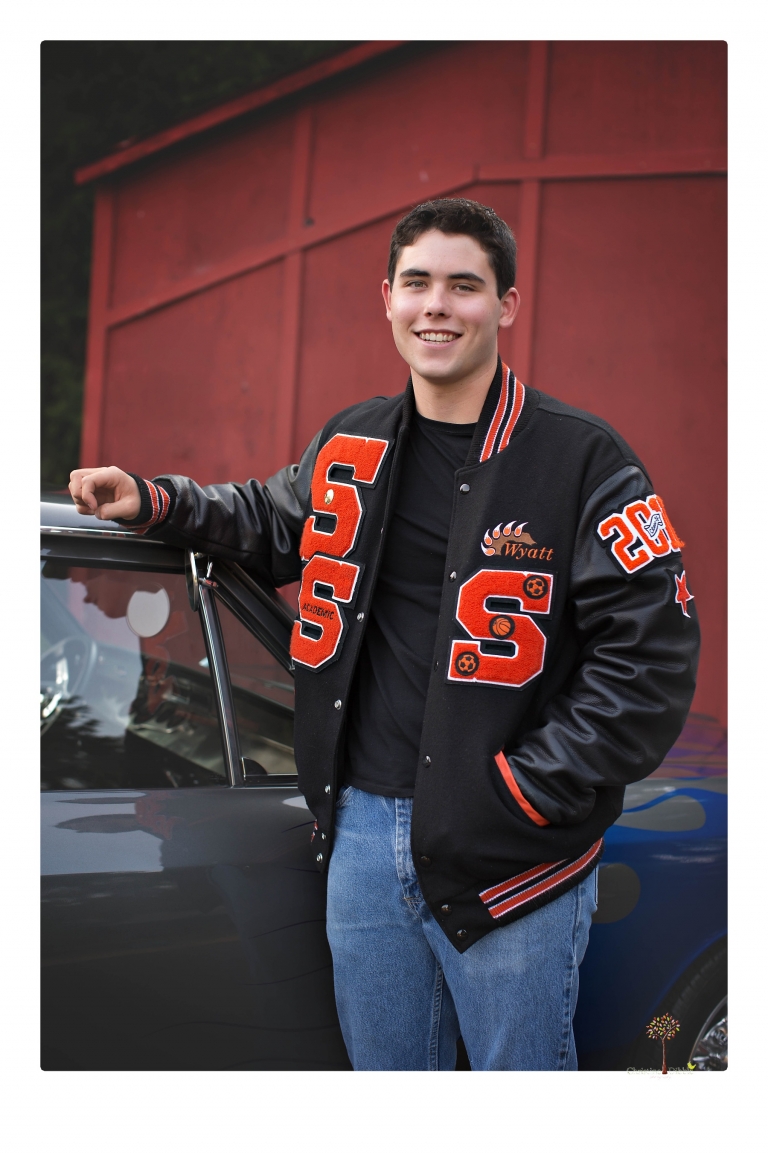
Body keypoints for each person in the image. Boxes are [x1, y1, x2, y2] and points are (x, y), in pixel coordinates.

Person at [69, 198, 700, 1071]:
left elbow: (652, 659)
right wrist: (155, 500)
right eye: (417, 283)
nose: (436, 305)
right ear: (388, 298)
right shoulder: (353, 441)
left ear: (505, 306)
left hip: (513, 855)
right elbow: (269, 517)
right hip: (361, 834)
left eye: (463, 286)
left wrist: (524, 793)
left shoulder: (583, 461)